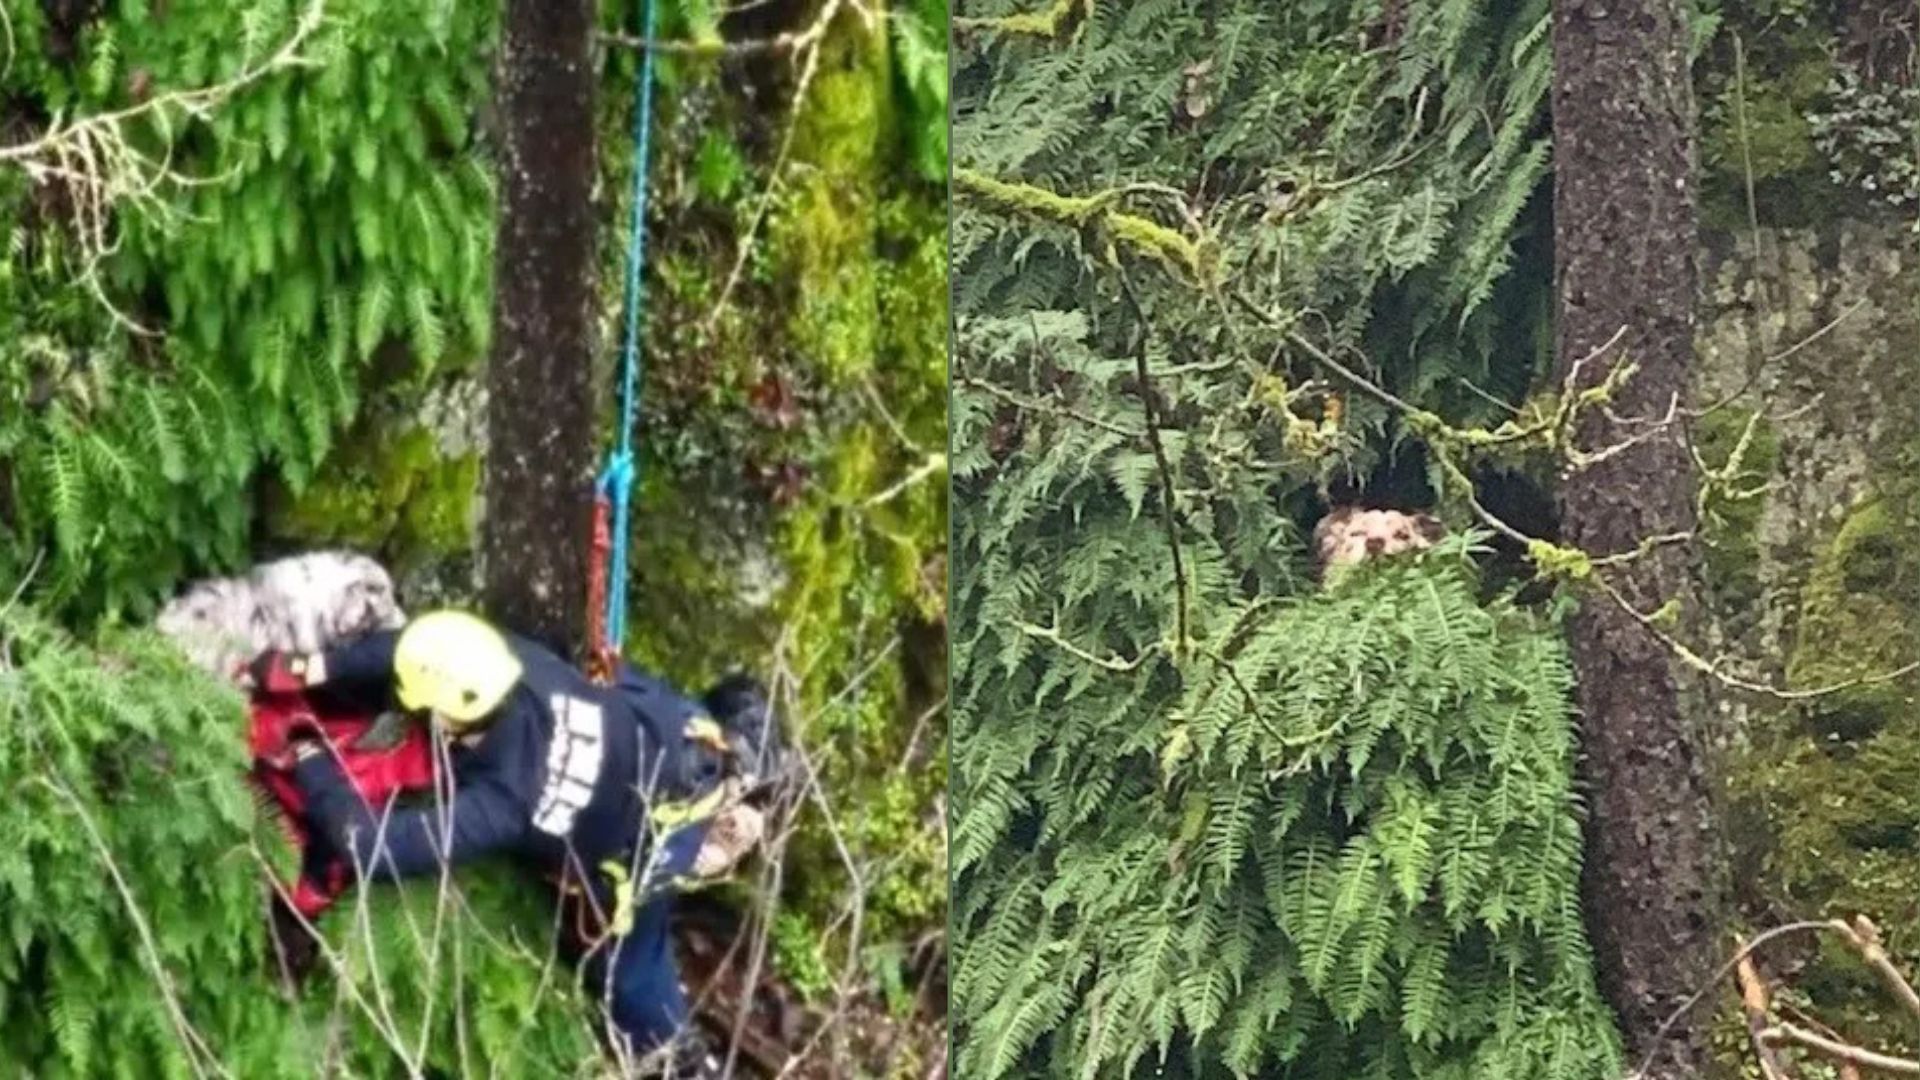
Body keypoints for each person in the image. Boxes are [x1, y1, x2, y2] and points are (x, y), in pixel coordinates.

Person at [248, 608, 777, 1077]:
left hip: (659, 828)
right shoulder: (514, 662)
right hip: (671, 729)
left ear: (444, 715)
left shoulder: (504, 799)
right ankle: (744, 735)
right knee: (637, 694)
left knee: (630, 978)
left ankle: (679, 1063)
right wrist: (308, 668)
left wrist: (313, 763)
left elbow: (372, 848)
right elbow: (420, 644)